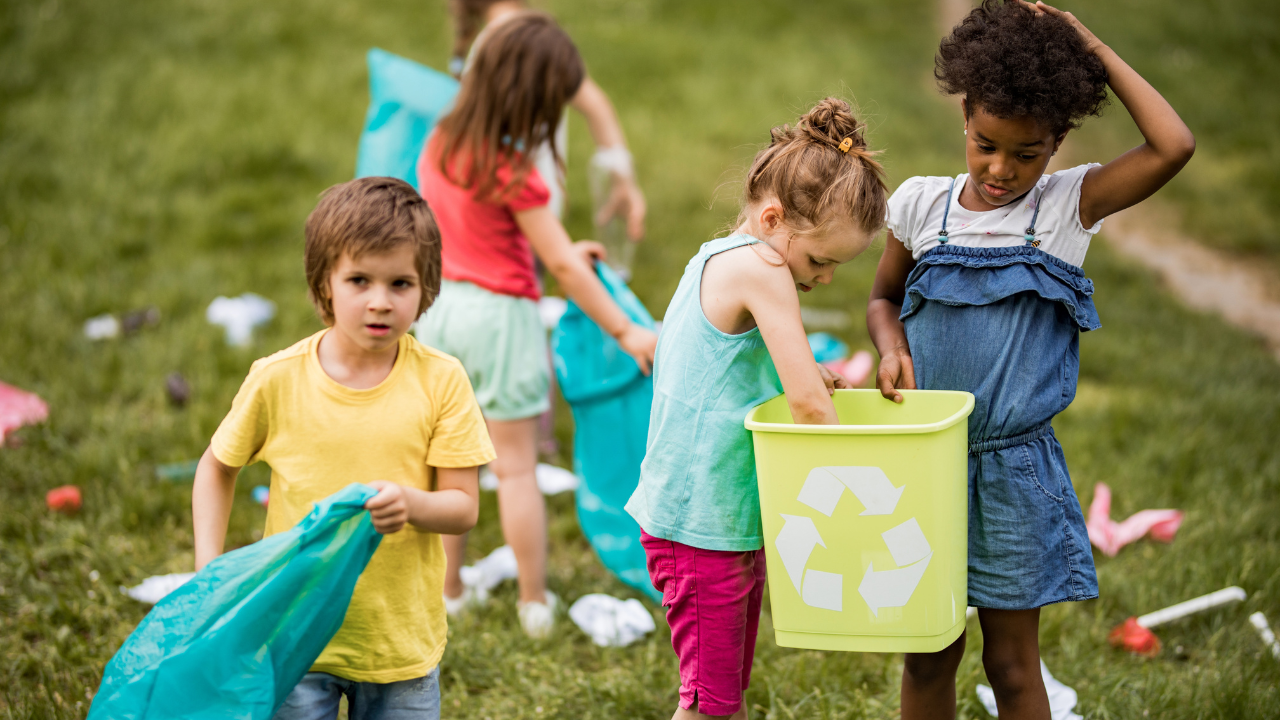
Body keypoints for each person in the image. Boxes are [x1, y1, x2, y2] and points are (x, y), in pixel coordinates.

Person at [866, 3, 1195, 718]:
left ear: (1059, 142)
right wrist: (890, 347)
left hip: (1015, 472)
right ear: (965, 114)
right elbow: (882, 298)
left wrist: (1090, 45)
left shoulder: (1065, 208)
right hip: (925, 461)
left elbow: (1173, 145)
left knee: (1012, 666)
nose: (1001, 170)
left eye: (1027, 153)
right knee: (928, 652)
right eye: (986, 144)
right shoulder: (921, 206)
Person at [191, 177, 496, 719]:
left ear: (427, 289)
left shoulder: (442, 382)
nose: (380, 302)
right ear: (324, 283)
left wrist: (413, 504)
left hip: (398, 644)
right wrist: (207, 573)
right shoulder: (277, 380)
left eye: (400, 283)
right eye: (360, 280)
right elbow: (217, 467)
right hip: (295, 633)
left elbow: (463, 507)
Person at [626, 98, 889, 720]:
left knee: (715, 699)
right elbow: (808, 407)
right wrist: (872, 489)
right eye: (820, 260)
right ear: (774, 218)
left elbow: (740, 363)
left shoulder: (720, 257)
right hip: (700, 528)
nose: (823, 278)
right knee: (716, 707)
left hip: (716, 520)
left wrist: (811, 372)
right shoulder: (764, 267)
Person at [415, 12, 659, 638]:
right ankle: (533, 603)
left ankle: (449, 591)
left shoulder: (439, 141)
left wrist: (563, 251)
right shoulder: (514, 170)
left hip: (440, 315)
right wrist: (626, 331)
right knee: (516, 468)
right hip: (503, 321)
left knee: (452, 466)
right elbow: (556, 265)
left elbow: (483, 235)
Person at [447, 0, 645, 237]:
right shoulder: (537, 43)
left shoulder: (505, 46)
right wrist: (622, 178)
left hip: (507, 213)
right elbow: (596, 104)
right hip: (527, 209)